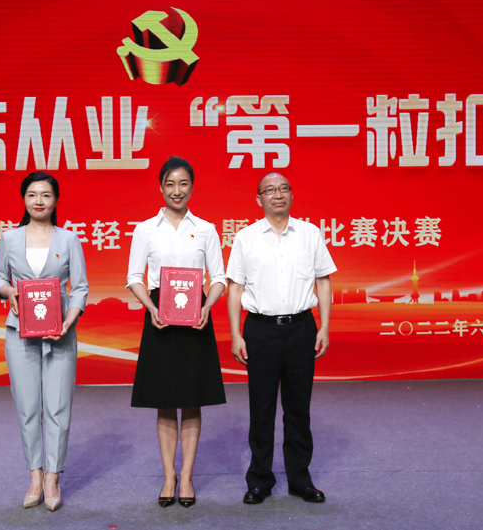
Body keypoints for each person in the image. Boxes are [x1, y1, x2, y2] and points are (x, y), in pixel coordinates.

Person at [225, 172, 336, 505]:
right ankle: (260, 480)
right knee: (261, 410)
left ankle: (300, 480)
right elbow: (235, 288)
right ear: (258, 199)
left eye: (284, 188)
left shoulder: (310, 234)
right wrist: (235, 333)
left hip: (301, 328)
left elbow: (323, 281)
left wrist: (324, 327)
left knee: (298, 409)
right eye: (270, 190)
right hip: (260, 331)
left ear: (292, 195)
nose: (278, 194)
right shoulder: (245, 238)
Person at [127, 156, 227, 508]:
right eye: (170, 184)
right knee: (165, 400)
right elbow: (134, 277)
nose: (177, 190)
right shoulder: (145, 229)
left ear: (192, 187)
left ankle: (187, 476)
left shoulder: (206, 229)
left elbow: (219, 277)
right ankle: (169, 475)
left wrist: (207, 306)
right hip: (160, 317)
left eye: (183, 183)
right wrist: (151, 307)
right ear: (161, 187)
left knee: (192, 398)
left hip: (196, 316)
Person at [0, 171, 88, 512]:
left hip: (60, 333)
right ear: (24, 199)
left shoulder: (68, 239)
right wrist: (9, 292)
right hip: (19, 332)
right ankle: (35, 475)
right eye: (32, 194)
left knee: (58, 408)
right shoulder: (9, 238)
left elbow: (80, 287)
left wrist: (68, 320)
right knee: (28, 407)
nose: (38, 201)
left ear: (55, 200)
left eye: (46, 195)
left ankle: (53, 477)